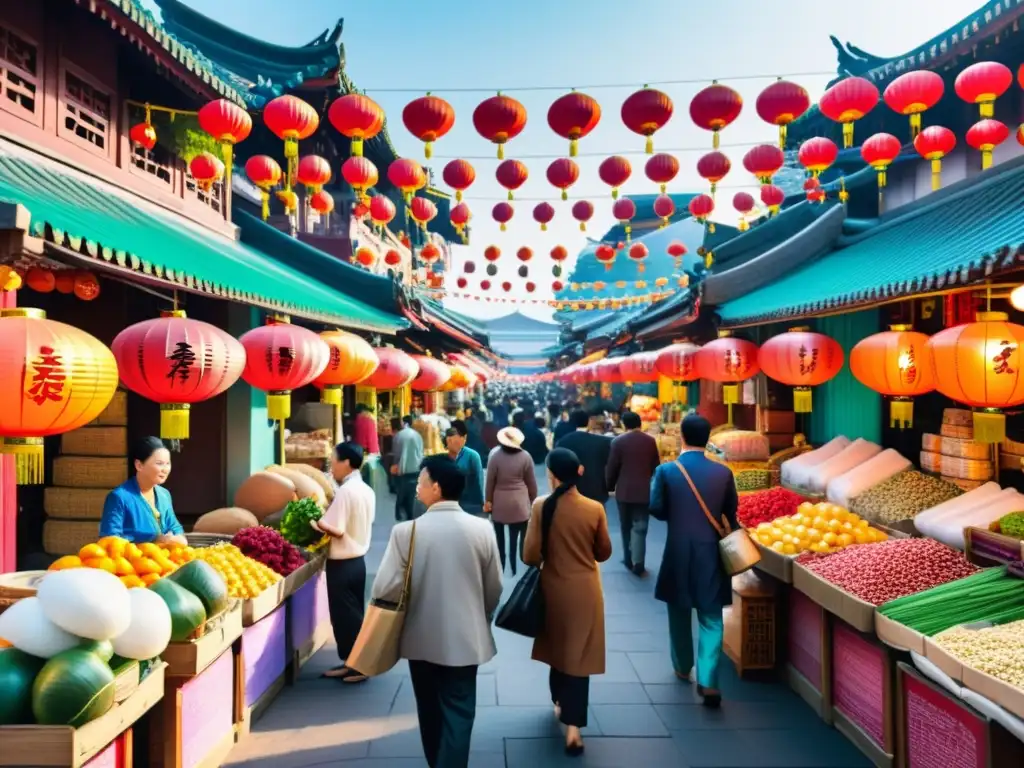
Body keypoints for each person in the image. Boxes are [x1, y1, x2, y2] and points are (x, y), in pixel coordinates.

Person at [370, 456, 503, 768]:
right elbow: (494, 586)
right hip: (467, 637)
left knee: (429, 708)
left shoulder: (407, 532)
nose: (417, 488)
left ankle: (437, 762)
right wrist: (480, 616)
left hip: (420, 637)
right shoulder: (481, 530)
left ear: (437, 488)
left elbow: (385, 588)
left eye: (421, 482)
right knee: (459, 708)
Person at [523, 448, 612, 756]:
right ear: (580, 472)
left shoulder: (541, 507)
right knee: (579, 655)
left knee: (558, 649)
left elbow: (529, 556)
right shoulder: (594, 508)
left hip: (552, 588)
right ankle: (574, 728)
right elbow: (603, 552)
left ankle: (560, 703)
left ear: (552, 475)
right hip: (586, 591)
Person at [649, 413, 739, 708]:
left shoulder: (666, 471)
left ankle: (682, 665)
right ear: (709, 438)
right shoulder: (723, 473)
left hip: (677, 550)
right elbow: (730, 513)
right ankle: (708, 679)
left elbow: (656, 509)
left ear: (682, 437)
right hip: (711, 551)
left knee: (678, 610)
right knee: (712, 616)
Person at [312, 442, 376, 682]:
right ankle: (351, 662)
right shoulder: (365, 489)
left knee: (345, 617)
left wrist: (316, 521)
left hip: (343, 562)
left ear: (347, 463)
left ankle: (359, 666)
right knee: (352, 613)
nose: (332, 466)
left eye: (334, 461)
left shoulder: (347, 492)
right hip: (358, 561)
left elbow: (335, 529)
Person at [606, 410, 662, 577]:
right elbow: (656, 466)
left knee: (625, 526)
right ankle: (639, 561)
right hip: (644, 491)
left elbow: (612, 467)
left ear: (624, 424)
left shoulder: (618, 442)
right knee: (641, 526)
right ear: (640, 424)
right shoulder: (650, 441)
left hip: (624, 491)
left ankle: (628, 558)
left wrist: (609, 486)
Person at [100, 437, 187, 544]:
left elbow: (175, 527)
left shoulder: (164, 495)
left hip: (164, 558)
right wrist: (154, 540)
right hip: (132, 559)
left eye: (168, 463)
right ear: (139, 465)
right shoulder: (119, 497)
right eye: (159, 463)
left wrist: (178, 538)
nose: (165, 469)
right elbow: (109, 540)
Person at [484, 427, 538, 575]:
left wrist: (488, 501)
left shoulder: (495, 456)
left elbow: (490, 482)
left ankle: (501, 564)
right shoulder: (526, 457)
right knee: (519, 536)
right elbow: (531, 484)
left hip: (499, 504)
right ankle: (518, 564)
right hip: (519, 504)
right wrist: (532, 501)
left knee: (500, 539)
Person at [555, 410, 613, 504]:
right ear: (588, 422)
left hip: (570, 492)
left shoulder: (563, 442)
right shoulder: (603, 442)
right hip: (596, 491)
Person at [445, 420, 485, 516]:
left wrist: (481, 502)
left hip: (467, 505)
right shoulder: (442, 455)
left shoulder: (473, 456)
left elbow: (479, 481)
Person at [391, 415, 424, 521]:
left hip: (403, 470)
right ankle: (410, 515)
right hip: (416, 468)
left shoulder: (398, 436)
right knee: (412, 495)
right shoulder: (417, 435)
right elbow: (420, 452)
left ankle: (399, 514)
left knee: (401, 494)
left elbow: (396, 454)